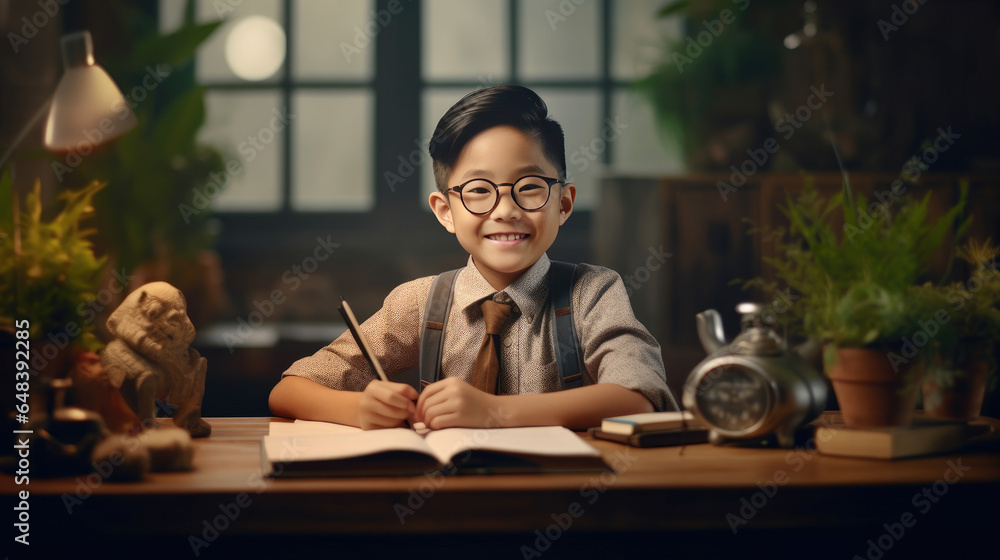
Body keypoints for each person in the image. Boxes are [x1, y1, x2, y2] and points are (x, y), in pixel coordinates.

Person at [268, 85, 677, 430]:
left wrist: (494, 413)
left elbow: (640, 398)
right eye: (479, 190)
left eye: (530, 186)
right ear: (445, 210)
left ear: (564, 203)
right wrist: (358, 407)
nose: (505, 210)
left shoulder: (592, 293)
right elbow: (289, 390)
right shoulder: (419, 303)